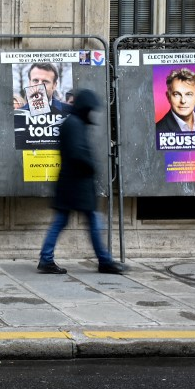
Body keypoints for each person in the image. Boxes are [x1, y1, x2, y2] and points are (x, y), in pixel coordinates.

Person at [37, 89, 126, 275]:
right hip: (76, 184)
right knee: (92, 221)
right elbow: (77, 153)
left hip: (73, 183)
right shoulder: (74, 124)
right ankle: (104, 261)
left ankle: (47, 259)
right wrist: (91, 165)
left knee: (65, 221)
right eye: (90, 109)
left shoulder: (74, 122)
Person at [154, 68, 195, 134]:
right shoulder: (157, 130)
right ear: (168, 97)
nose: (183, 101)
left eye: (188, 94)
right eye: (177, 94)